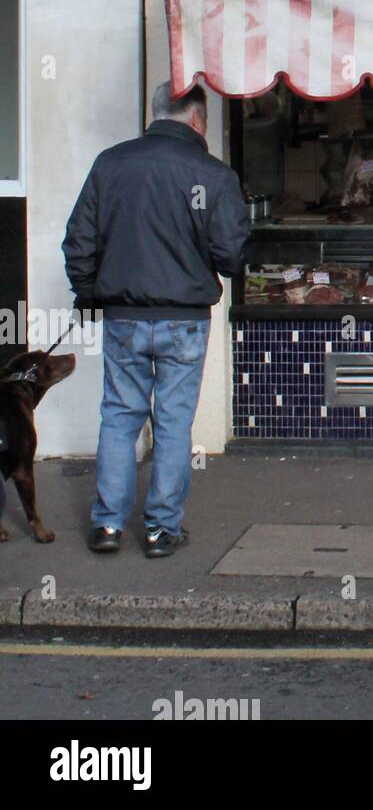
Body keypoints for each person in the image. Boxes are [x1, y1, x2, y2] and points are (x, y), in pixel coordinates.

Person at [63, 82, 249, 558]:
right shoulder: (213, 175)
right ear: (198, 119)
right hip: (184, 320)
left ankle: (106, 526)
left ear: (155, 113)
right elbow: (231, 255)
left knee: (119, 417)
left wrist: (87, 292)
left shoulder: (111, 164)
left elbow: (78, 240)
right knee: (172, 422)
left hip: (123, 317)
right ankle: (160, 530)